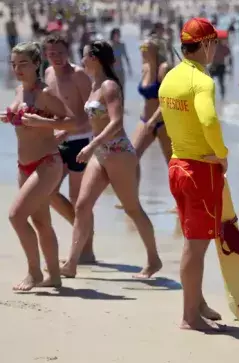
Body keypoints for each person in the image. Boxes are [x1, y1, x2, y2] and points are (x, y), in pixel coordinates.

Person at [57, 41, 162, 278]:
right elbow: (93, 121)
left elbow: (116, 123)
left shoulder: (109, 86)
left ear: (94, 58)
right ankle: (71, 263)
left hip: (119, 153)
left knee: (132, 209)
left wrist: (91, 144)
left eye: (83, 56)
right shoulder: (94, 85)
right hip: (100, 154)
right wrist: (68, 131)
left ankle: (154, 260)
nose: (81, 60)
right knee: (82, 205)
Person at [158, 17, 228, 332]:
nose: (218, 48)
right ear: (204, 45)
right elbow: (209, 120)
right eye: (215, 42)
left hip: (177, 164)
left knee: (194, 238)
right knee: (196, 244)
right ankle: (189, 316)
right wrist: (222, 154)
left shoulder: (170, 77)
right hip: (200, 168)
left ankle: (197, 303)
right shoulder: (202, 81)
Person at [3, 42, 68, 291]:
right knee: (41, 222)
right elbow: (23, 119)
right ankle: (54, 275)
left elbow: (71, 120)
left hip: (47, 163)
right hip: (24, 165)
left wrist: (43, 123)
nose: (17, 69)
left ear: (37, 64)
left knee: (16, 216)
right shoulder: (20, 91)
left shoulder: (45, 93)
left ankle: (34, 273)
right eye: (14, 64)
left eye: (23, 63)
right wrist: (8, 116)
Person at [43, 33, 97, 263]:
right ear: (46, 54)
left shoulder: (78, 75)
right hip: (57, 141)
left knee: (79, 199)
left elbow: (92, 112)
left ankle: (86, 250)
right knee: (48, 192)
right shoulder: (47, 73)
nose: (56, 57)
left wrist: (69, 130)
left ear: (69, 52)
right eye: (51, 53)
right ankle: (82, 233)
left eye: (60, 53)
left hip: (80, 140)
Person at [131, 38, 171, 162]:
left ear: (155, 50)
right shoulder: (145, 68)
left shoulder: (164, 68)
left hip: (164, 122)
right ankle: (132, 182)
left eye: (145, 48)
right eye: (141, 47)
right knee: (131, 158)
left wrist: (153, 120)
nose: (142, 51)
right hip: (145, 120)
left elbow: (168, 100)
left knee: (173, 164)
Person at [209, 30, 231, 101]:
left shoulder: (220, 47)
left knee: (220, 82)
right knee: (210, 81)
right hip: (214, 65)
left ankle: (222, 97)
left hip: (220, 66)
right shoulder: (214, 46)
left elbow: (228, 54)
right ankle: (216, 96)